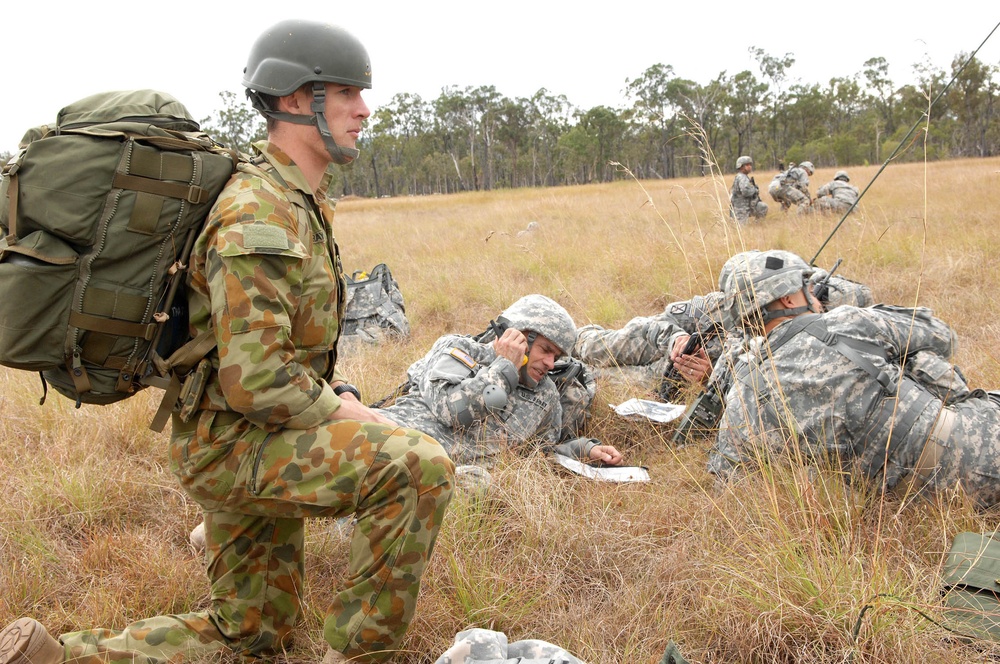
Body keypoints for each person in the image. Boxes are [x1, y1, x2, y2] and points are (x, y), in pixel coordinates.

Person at [0, 20, 455, 664]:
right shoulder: (259, 211)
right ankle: (357, 655)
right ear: (297, 99)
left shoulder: (296, 199)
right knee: (417, 466)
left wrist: (337, 392)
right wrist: (348, 410)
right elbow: (259, 378)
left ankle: (60, 656)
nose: (364, 109)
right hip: (236, 444)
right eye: (348, 91)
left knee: (252, 632)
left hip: (239, 432)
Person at [707, 249, 1000, 508]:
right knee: (914, 357)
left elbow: (728, 485)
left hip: (913, 503)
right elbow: (943, 336)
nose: (814, 294)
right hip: (981, 448)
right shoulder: (846, 320)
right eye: (806, 286)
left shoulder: (743, 393)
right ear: (787, 297)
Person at [378, 294, 624, 472]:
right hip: (386, 445)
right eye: (546, 350)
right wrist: (505, 368)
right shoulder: (459, 349)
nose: (550, 363)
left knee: (477, 484)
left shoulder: (545, 394)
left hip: (444, 477)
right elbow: (451, 410)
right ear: (517, 335)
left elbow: (538, 454)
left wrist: (583, 449)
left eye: (557, 357)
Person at [730, 156, 768, 223]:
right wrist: (755, 190)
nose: (750, 167)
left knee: (763, 207)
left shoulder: (744, 177)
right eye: (747, 165)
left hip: (748, 205)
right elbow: (745, 192)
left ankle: (758, 226)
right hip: (741, 208)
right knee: (742, 229)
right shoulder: (742, 177)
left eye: (750, 165)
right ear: (741, 167)